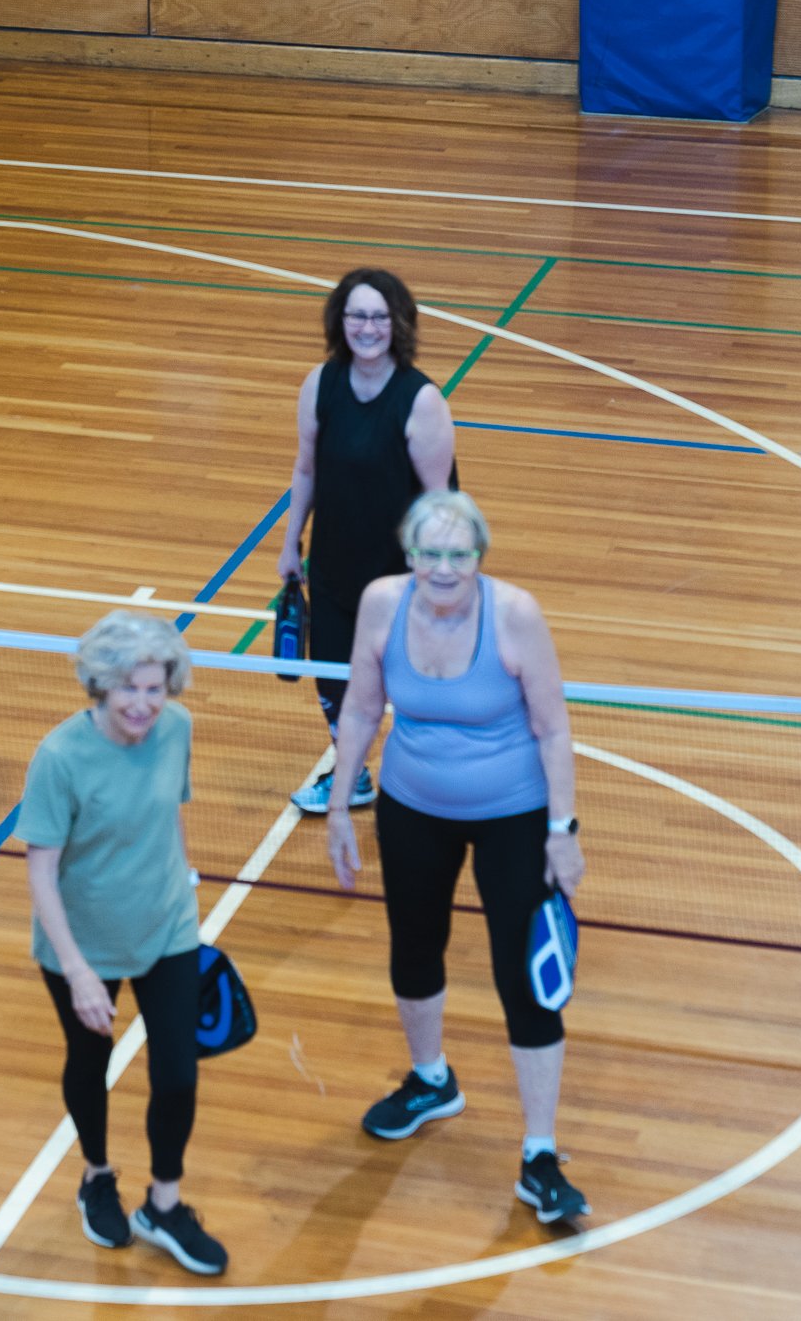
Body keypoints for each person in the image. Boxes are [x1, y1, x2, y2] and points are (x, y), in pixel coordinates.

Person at [325, 491, 590, 1225]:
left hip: (515, 814)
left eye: (459, 554)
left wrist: (562, 829)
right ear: (410, 554)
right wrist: (341, 805)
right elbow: (360, 707)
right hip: (412, 806)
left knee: (524, 980)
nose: (444, 568)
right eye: (430, 553)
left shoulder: (515, 615)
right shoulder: (383, 604)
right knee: (414, 949)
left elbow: (554, 729)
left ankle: (540, 1155)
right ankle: (431, 1079)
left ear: (480, 556)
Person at [20, 611, 228, 1276]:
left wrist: (185, 888)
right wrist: (78, 971)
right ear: (100, 685)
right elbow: (41, 871)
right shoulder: (59, 758)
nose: (143, 703)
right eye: (128, 689)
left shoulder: (178, 728)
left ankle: (163, 1205)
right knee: (90, 1061)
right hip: (82, 943)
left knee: (178, 1072)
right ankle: (96, 1174)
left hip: (167, 927)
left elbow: (171, 811)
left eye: (155, 688)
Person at [277, 267, 456, 815]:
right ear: (341, 320)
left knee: (409, 685)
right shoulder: (321, 384)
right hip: (333, 565)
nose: (368, 327)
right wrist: (291, 545)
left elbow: (441, 503)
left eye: (380, 316)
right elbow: (306, 469)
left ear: (398, 324)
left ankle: (431, 782)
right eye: (357, 315)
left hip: (399, 577)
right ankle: (351, 774)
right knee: (334, 681)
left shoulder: (420, 400)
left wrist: (438, 577)